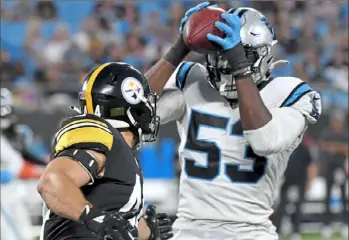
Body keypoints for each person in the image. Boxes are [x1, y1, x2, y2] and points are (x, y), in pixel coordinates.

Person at [146, 2, 321, 240]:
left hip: (250, 230)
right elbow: (136, 111)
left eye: (237, 55)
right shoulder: (193, 79)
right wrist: (179, 48)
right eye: (219, 55)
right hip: (189, 229)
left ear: (263, 54)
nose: (225, 64)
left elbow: (264, 140)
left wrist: (241, 68)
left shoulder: (289, 92)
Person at [38, 62, 173, 240]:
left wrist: (146, 230)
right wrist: (94, 216)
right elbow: (50, 182)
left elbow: (111, 223)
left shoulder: (118, 152)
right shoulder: (100, 133)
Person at [1, 89, 33, 240]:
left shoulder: (16, 133)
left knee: (18, 227)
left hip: (10, 189)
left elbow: (17, 161)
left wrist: (8, 173)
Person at [272, 135, 318, 240]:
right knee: (281, 208)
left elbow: (311, 165)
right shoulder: (285, 149)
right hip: (286, 182)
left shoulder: (304, 150)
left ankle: (295, 231)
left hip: (300, 183)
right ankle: (278, 230)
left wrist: (310, 182)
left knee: (298, 208)